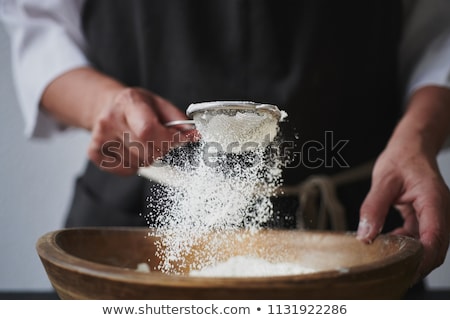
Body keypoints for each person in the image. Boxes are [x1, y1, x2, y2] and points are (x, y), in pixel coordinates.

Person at [1, 0, 450, 287]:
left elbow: (437, 31)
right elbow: (38, 23)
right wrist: (103, 103)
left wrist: (419, 136)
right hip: (136, 225)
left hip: (354, 232)